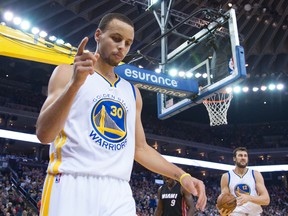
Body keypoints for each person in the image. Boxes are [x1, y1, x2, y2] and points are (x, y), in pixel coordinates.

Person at [36, 13, 207, 216]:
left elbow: (141, 148)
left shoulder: (132, 91)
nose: (122, 47)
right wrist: (75, 84)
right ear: (98, 35)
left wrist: (182, 175)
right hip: (71, 181)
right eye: (116, 39)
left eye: (128, 43)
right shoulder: (66, 73)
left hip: (118, 191)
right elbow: (44, 134)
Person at [218, 147, 270, 216]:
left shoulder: (255, 174)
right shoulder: (226, 176)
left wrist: (249, 198)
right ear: (234, 158)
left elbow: (266, 200)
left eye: (245, 156)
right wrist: (223, 211)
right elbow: (224, 200)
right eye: (240, 155)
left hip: (254, 214)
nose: (243, 158)